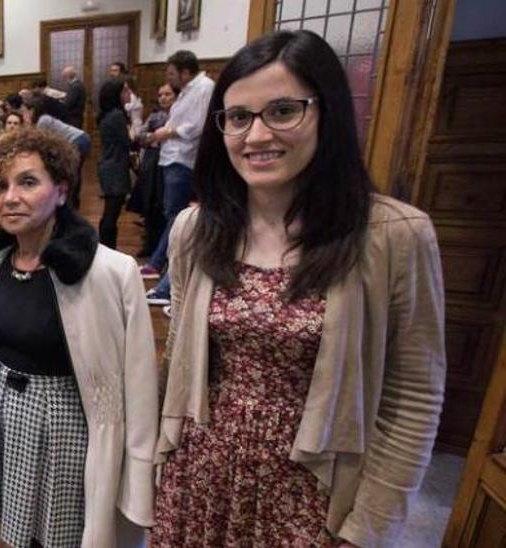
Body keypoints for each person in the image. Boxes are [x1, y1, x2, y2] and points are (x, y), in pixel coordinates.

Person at [153, 30, 446, 547]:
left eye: (283, 111)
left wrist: (370, 527)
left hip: (312, 494)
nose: (256, 135)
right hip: (201, 479)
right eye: (238, 117)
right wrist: (163, 457)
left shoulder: (393, 235)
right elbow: (179, 353)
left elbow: (413, 399)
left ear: (326, 114)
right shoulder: (195, 231)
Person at [0, 126, 157, 547]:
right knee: (19, 534)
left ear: (63, 192)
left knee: (64, 535)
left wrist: (140, 474)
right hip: (3, 412)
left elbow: (140, 383)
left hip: (65, 423)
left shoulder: (110, 271)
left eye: (28, 182)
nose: (10, 197)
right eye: (0, 186)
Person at [143, 49, 215, 304]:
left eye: (172, 73)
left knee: (178, 222)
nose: (169, 78)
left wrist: (164, 132)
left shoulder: (205, 88)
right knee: (172, 218)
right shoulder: (189, 90)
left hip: (184, 160)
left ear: (186, 71)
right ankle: (158, 266)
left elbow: (195, 127)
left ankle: (165, 282)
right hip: (174, 158)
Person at [129, 84, 177, 259]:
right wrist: (154, 138)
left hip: (171, 163)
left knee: (167, 205)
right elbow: (139, 136)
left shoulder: (181, 116)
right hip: (152, 162)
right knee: (150, 204)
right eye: (160, 94)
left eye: (167, 94)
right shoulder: (155, 115)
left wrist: (154, 137)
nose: (163, 98)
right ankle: (150, 244)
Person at [97, 78, 134, 249]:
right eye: (125, 91)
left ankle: (105, 248)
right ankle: (107, 249)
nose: (129, 94)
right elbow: (127, 142)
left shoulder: (108, 114)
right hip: (115, 166)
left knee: (110, 212)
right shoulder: (117, 116)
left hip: (109, 164)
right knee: (111, 213)